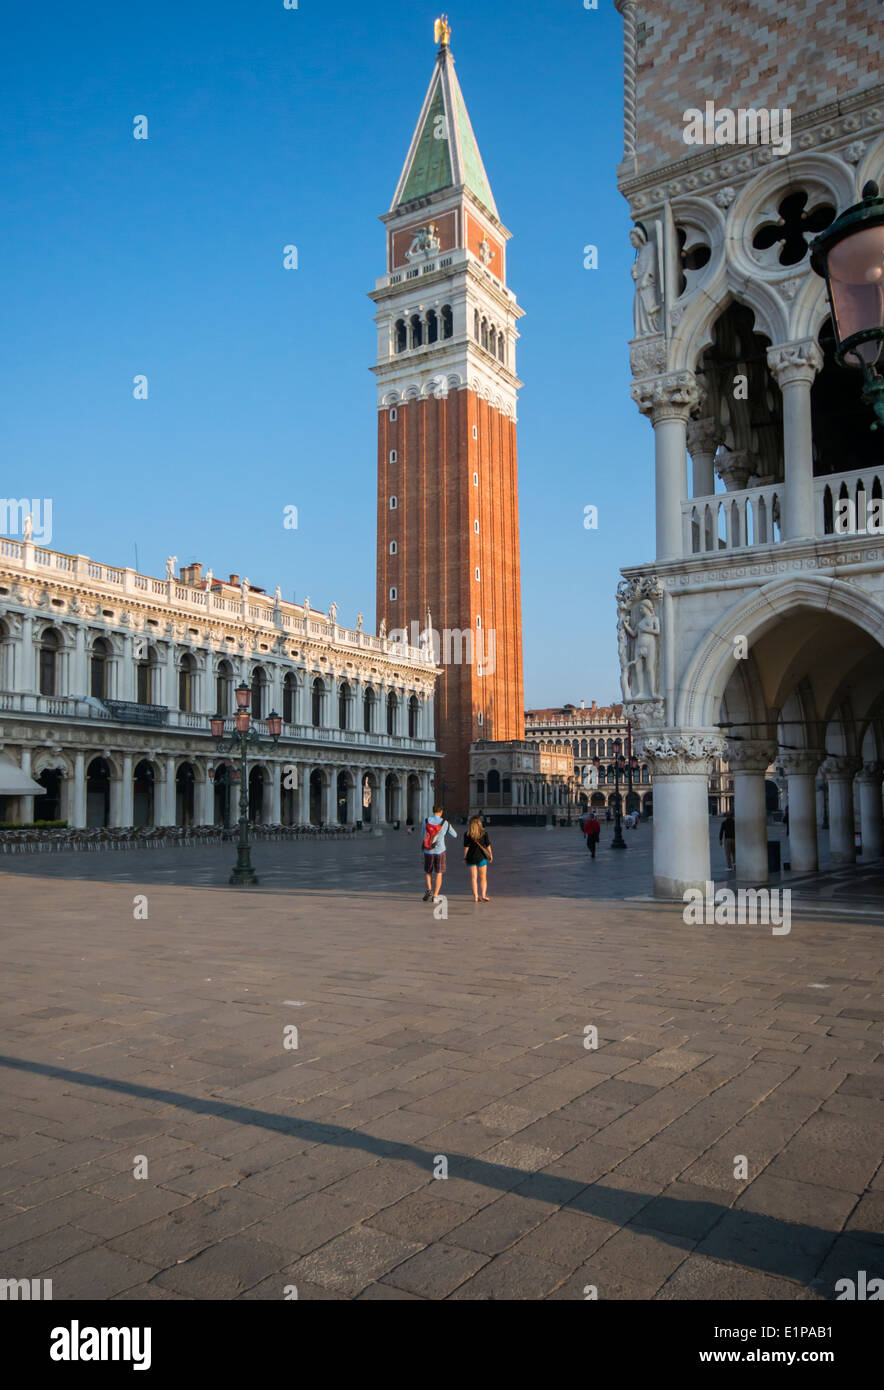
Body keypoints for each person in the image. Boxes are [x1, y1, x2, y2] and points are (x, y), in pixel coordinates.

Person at [421, 803, 457, 902]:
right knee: (439, 873)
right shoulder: (445, 822)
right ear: (441, 812)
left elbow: (423, 835)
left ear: (433, 811)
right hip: (440, 851)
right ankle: (435, 896)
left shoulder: (426, 821)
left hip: (428, 850)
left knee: (428, 871)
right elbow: (455, 835)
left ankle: (429, 890)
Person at [463, 815, 493, 901]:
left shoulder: (467, 834)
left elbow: (466, 848)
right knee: (483, 878)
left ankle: (476, 896)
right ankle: (483, 895)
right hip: (482, 858)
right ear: (479, 823)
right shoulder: (484, 833)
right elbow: (488, 845)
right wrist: (490, 855)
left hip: (471, 857)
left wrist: (464, 857)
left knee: (473, 878)